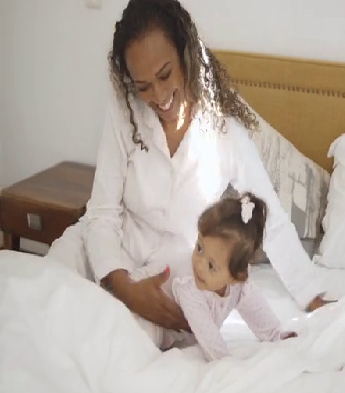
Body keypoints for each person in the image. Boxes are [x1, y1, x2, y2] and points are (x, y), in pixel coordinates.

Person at [46, 0, 327, 339]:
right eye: (143, 86)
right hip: (106, 246)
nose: (158, 95)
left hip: (172, 270)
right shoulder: (124, 111)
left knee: (110, 336)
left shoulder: (224, 128)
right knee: (40, 296)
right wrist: (124, 286)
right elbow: (101, 213)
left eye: (165, 75)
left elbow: (270, 220)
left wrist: (314, 297)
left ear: (186, 54)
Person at [132, 193, 298, 361]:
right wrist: (226, 363)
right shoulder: (188, 284)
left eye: (211, 266)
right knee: (139, 343)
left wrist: (275, 335)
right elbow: (211, 343)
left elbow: (257, 309)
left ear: (236, 277)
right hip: (138, 304)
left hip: (170, 330)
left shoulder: (240, 284)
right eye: (199, 248)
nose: (199, 265)